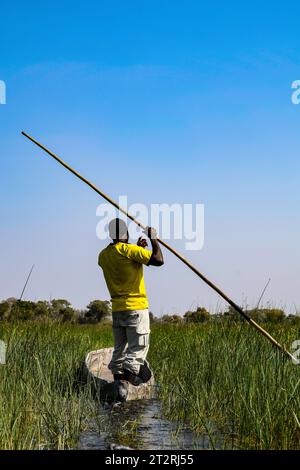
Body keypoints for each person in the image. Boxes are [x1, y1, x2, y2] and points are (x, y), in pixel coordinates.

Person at [98, 218, 164, 387]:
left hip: (118, 310)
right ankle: (132, 377)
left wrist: (138, 249)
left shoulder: (103, 256)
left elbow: (124, 262)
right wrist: (153, 238)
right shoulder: (129, 250)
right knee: (137, 349)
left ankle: (118, 387)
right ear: (124, 234)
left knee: (119, 350)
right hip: (136, 308)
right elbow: (158, 260)